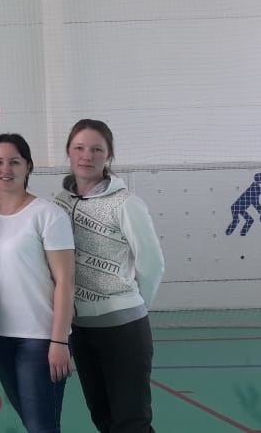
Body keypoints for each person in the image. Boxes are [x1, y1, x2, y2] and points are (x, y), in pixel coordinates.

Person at [54, 119, 165, 433]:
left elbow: (152, 264)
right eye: (79, 148)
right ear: (69, 152)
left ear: (109, 155)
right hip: (81, 331)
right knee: (103, 418)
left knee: (131, 422)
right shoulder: (58, 203)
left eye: (96, 149)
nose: (86, 155)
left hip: (124, 330)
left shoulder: (126, 203)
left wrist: (131, 307)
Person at [0, 133, 75, 433]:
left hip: (40, 339)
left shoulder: (48, 215)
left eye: (14, 162)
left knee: (42, 427)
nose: (6, 169)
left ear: (28, 166)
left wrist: (59, 341)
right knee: (31, 423)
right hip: (1, 338)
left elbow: (65, 280)